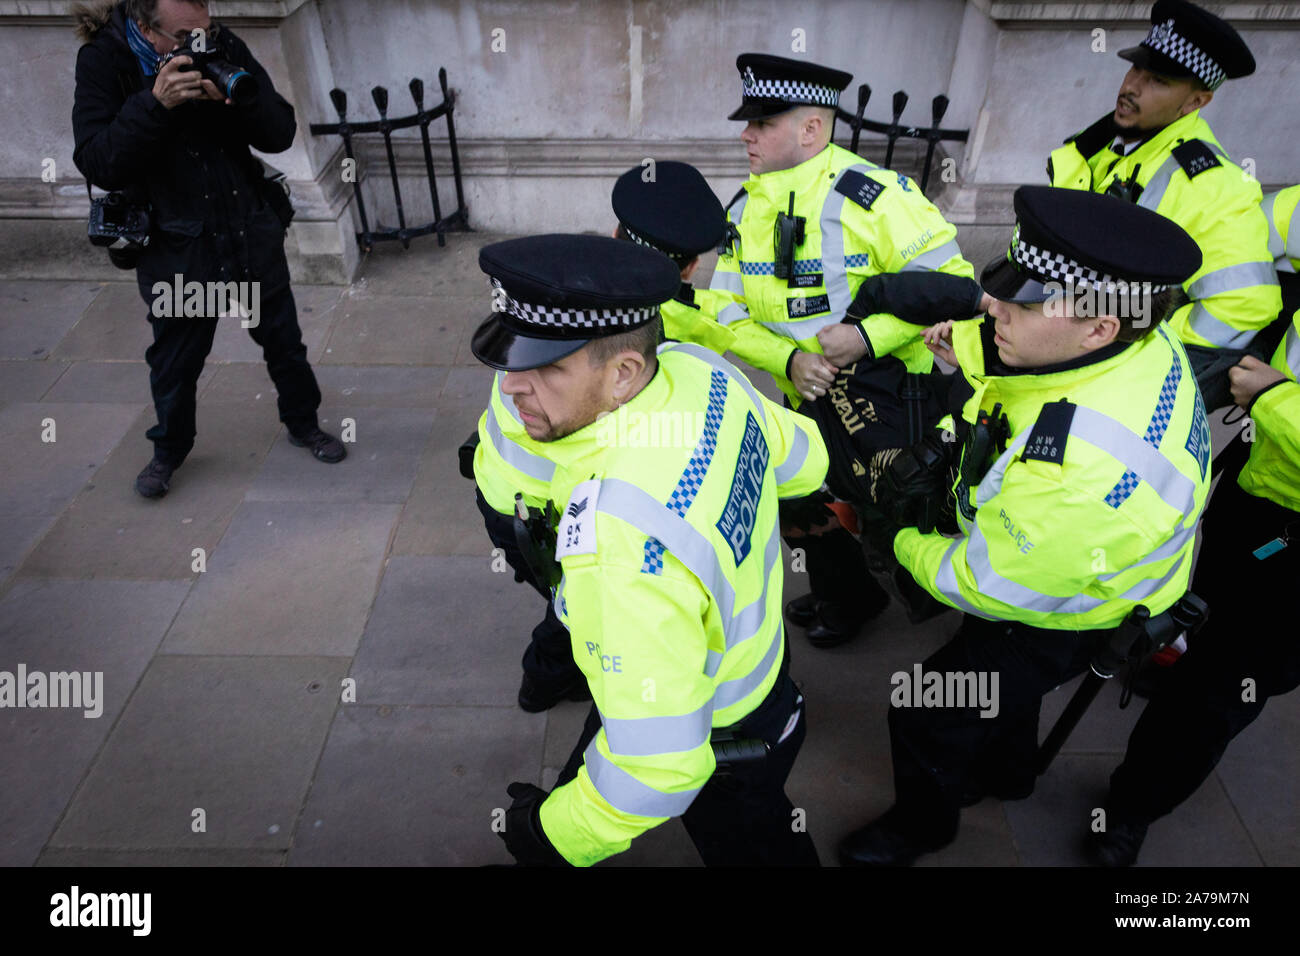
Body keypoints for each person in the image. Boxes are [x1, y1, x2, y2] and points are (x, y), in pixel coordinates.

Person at [838, 186, 1210, 866]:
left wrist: (894, 539)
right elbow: (1045, 377)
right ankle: (1007, 774)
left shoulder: (1077, 473)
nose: (991, 307)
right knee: (1005, 693)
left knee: (925, 713)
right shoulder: (1141, 338)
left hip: (1059, 608)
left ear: (1099, 325)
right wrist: (971, 351)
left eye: (1023, 302)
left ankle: (921, 829)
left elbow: (987, 582)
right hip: (1077, 575)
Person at [473, 234, 827, 866]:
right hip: (758, 664)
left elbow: (659, 767)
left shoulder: (617, 548)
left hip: (721, 723)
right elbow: (804, 459)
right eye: (509, 360)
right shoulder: (698, 367)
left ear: (624, 374)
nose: (509, 388)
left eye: (547, 367)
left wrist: (552, 835)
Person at [710, 52, 976, 647]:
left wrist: (866, 337)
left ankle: (946, 608)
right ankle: (845, 598)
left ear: (812, 129)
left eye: (762, 123)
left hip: (888, 410)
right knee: (805, 506)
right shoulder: (746, 206)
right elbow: (724, 312)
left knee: (890, 516)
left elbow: (955, 291)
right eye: (748, 122)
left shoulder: (877, 198)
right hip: (800, 401)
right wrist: (788, 361)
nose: (746, 134)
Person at [465, 161, 736, 713]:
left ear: (616, 237)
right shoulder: (658, 347)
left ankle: (543, 681)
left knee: (569, 606)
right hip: (553, 524)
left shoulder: (556, 311)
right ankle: (546, 679)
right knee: (576, 611)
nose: (512, 385)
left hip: (502, 494)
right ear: (690, 267)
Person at [72, 0, 342, 499]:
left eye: (204, 30)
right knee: (176, 360)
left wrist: (237, 99)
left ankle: (304, 423)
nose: (198, 44)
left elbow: (281, 130)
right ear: (145, 29)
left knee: (283, 340)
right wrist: (155, 104)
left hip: (245, 230)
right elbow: (97, 161)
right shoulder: (105, 61)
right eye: (182, 37)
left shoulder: (217, 41)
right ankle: (169, 449)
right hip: (178, 249)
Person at [1088, 305, 1300, 866]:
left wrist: (1274, 396)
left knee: (1224, 689)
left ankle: (1132, 808)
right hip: (1259, 496)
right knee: (1199, 610)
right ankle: (1185, 659)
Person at [1047, 0, 1279, 383]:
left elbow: (1247, 301)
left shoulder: (1212, 185)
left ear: (1196, 102)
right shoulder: (1108, 142)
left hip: (1103, 364)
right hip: (1062, 329)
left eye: (1159, 80)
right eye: (1136, 67)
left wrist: (1142, 344)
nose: (1132, 87)